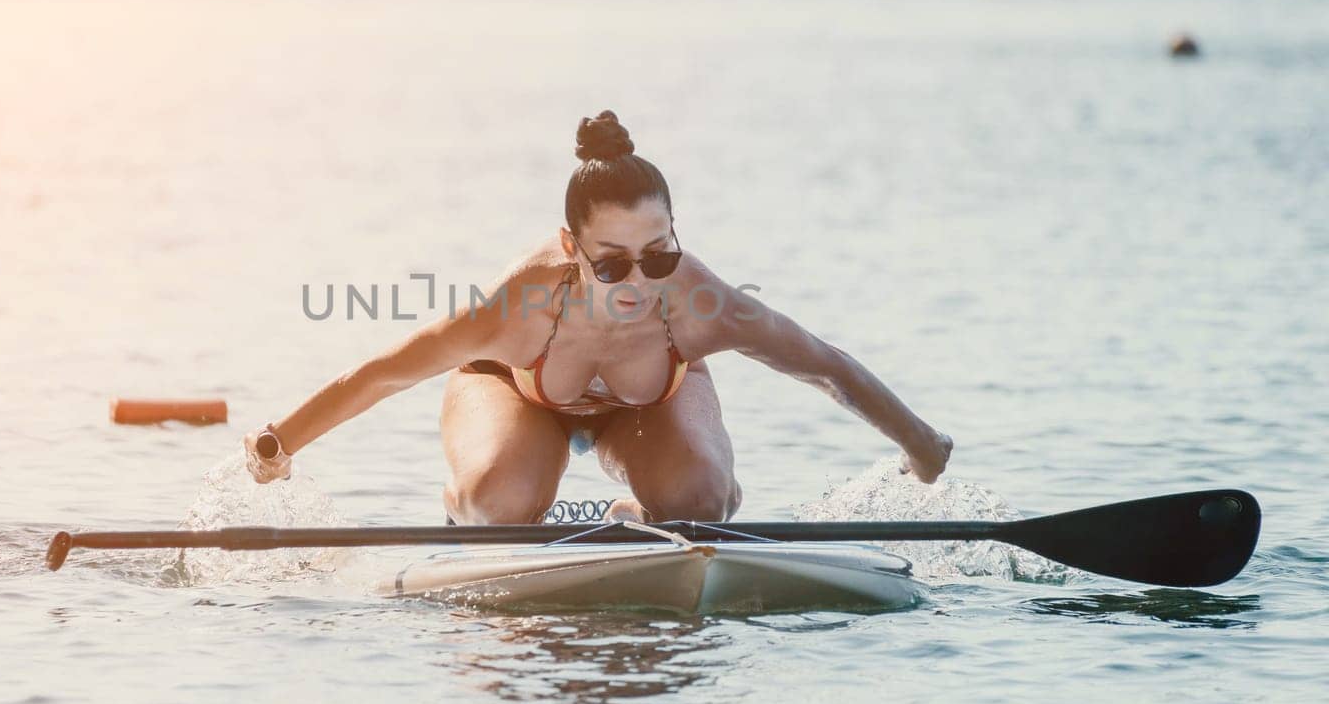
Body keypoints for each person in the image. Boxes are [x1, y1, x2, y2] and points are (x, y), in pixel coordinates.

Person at [244, 110, 953, 525]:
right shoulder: (516, 311)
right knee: (506, 502)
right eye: (611, 263)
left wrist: (920, 446)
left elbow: (823, 366)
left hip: (646, 407)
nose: (638, 282)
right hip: (518, 395)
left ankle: (638, 520)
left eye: (659, 254)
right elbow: (381, 376)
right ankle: (466, 498)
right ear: (570, 249)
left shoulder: (703, 303)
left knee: (700, 500)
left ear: (677, 233)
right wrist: (278, 447)